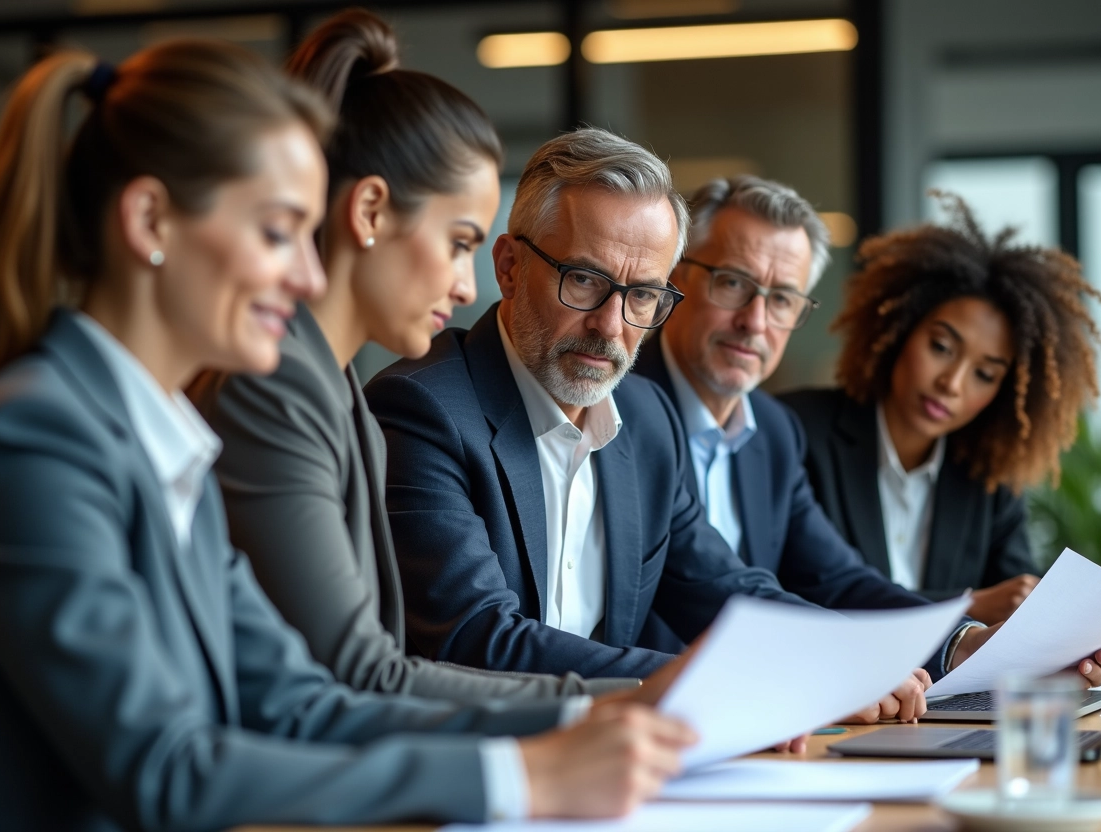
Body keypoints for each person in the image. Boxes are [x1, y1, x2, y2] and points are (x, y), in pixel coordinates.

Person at [0, 42, 694, 830]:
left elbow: (298, 700)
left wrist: (592, 724)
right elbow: (166, 769)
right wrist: (517, 780)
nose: (308, 277)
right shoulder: (32, 438)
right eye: (278, 233)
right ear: (150, 221)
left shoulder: (164, 441)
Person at [363, 128, 1002, 722]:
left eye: (643, 294)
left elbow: (730, 592)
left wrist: (919, 649)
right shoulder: (421, 408)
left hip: (625, 770)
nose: (611, 327)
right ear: (507, 266)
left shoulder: (645, 420)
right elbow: (479, 638)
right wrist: (755, 684)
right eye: (584, 280)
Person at [192, 8, 633, 702]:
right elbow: (361, 674)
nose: (466, 286)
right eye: (459, 242)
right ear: (370, 212)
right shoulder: (272, 386)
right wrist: (631, 702)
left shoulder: (332, 390)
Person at [637, 175, 1101, 686]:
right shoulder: (624, 413)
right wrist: (858, 665)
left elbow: (840, 583)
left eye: (782, 299)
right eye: (733, 282)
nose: (755, 321)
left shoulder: (773, 433)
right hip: (645, 709)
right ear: (675, 277)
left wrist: (970, 641)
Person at [780, 192, 1097, 626]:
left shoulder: (987, 478)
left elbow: (1014, 606)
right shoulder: (795, 431)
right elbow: (799, 593)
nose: (952, 383)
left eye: (984, 375)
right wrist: (966, 604)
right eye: (942, 347)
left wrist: (1069, 634)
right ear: (898, 331)